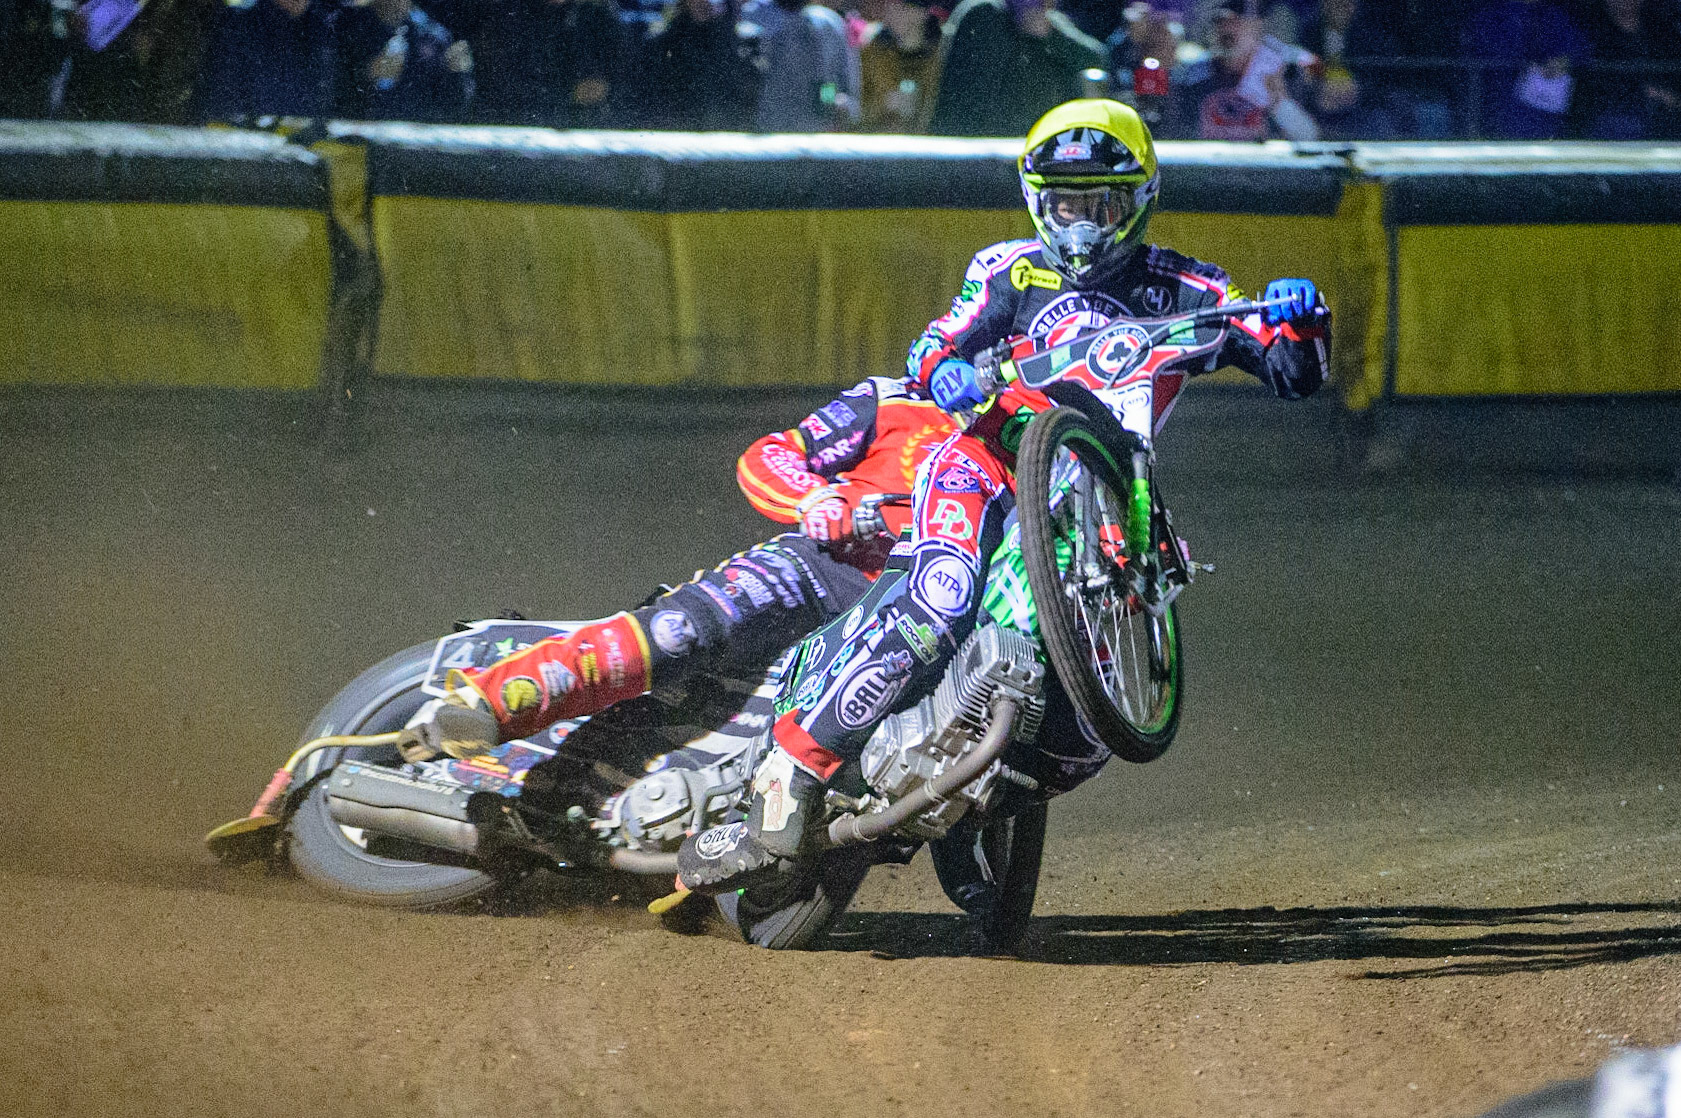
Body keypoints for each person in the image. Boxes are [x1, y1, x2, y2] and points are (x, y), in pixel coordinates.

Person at [671, 97, 1330, 894]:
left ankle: (986, 784)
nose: (1081, 226)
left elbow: (1291, 372)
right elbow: (931, 346)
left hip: (1099, 488)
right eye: (1065, 206)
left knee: (1076, 669)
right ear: (1036, 202)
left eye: (1100, 206)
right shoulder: (1008, 270)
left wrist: (1299, 320)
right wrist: (946, 371)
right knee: (941, 593)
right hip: (985, 458)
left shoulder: (1187, 286)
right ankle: (792, 768)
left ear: (1139, 200)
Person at [394, 377, 959, 810]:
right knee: (677, 632)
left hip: (916, 620)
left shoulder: (1015, 459)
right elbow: (771, 456)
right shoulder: (898, 403)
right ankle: (490, 705)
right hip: (820, 571)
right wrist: (816, 501)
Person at [927, 0, 1105, 136]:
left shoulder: (1058, 31)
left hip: (1032, 153)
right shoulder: (983, 15)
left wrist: (1048, 35)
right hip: (975, 153)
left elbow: (1096, 61)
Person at [1164, 0, 1318, 140]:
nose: (1227, 29)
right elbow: (1176, 136)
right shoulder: (1189, 77)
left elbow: (1310, 138)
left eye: (1237, 21)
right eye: (1220, 22)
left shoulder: (1287, 72)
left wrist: (1280, 103)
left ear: (1257, 26)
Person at [335, 0, 474, 122]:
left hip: (415, 133)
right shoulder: (347, 25)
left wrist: (458, 75)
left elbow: (455, 105)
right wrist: (367, 74)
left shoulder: (432, 36)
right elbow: (332, 97)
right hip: (358, 131)